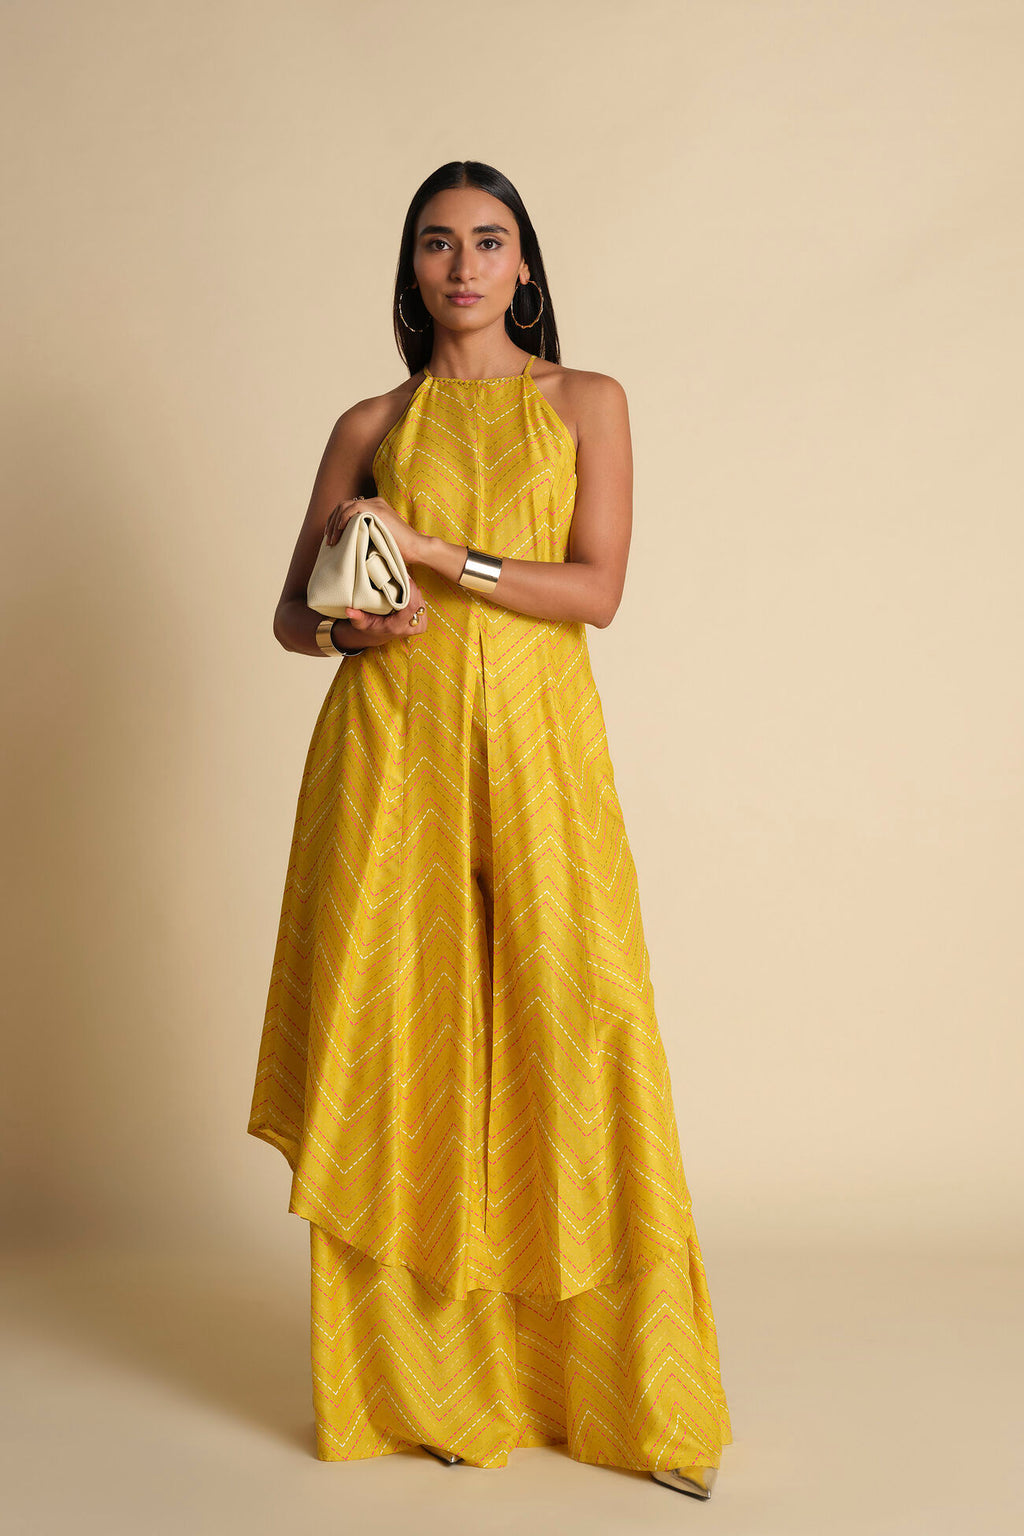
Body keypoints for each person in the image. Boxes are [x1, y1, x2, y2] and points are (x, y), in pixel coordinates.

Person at [247, 160, 732, 1500]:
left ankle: (623, 1391)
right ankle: (424, 1391)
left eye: (489, 241)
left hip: (539, 754)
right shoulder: (368, 419)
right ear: (410, 271)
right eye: (437, 244)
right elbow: (293, 615)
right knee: (407, 1044)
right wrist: (356, 621)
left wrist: (438, 551)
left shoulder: (586, 402)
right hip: (388, 749)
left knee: (578, 1025)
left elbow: (598, 587)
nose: (463, 265)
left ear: (526, 265)